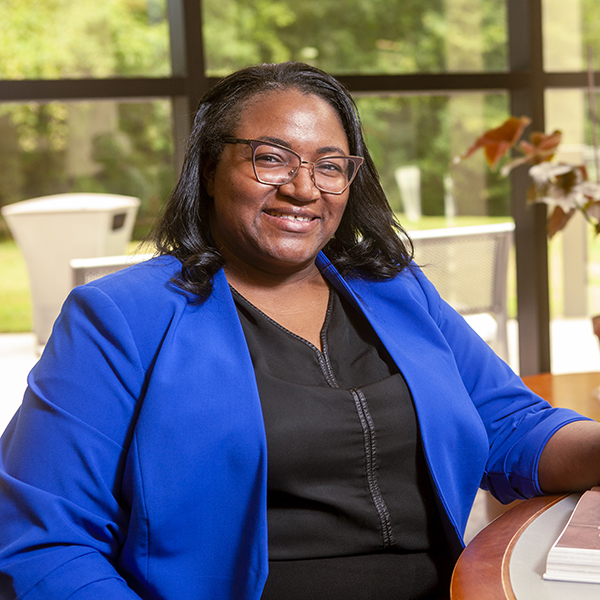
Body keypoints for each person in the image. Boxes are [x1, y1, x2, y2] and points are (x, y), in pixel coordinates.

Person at [1, 61, 600, 600]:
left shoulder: (398, 291)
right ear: (210, 169)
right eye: (270, 158)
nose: (303, 188)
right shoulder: (118, 319)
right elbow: (44, 546)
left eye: (329, 166)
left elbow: (513, 426)